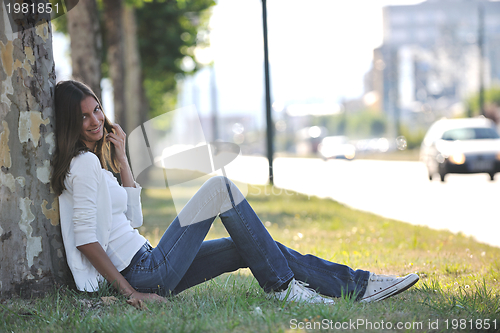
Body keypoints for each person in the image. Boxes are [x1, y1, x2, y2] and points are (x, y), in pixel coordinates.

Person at [51, 80, 419, 308]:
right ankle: (285, 288)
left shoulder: (96, 163)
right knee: (220, 188)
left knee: (253, 247)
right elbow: (86, 239)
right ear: (70, 122)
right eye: (83, 116)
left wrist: (122, 159)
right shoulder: (82, 165)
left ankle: (358, 284)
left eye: (96, 109)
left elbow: (134, 220)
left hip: (150, 259)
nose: (96, 120)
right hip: (142, 272)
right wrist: (131, 291)